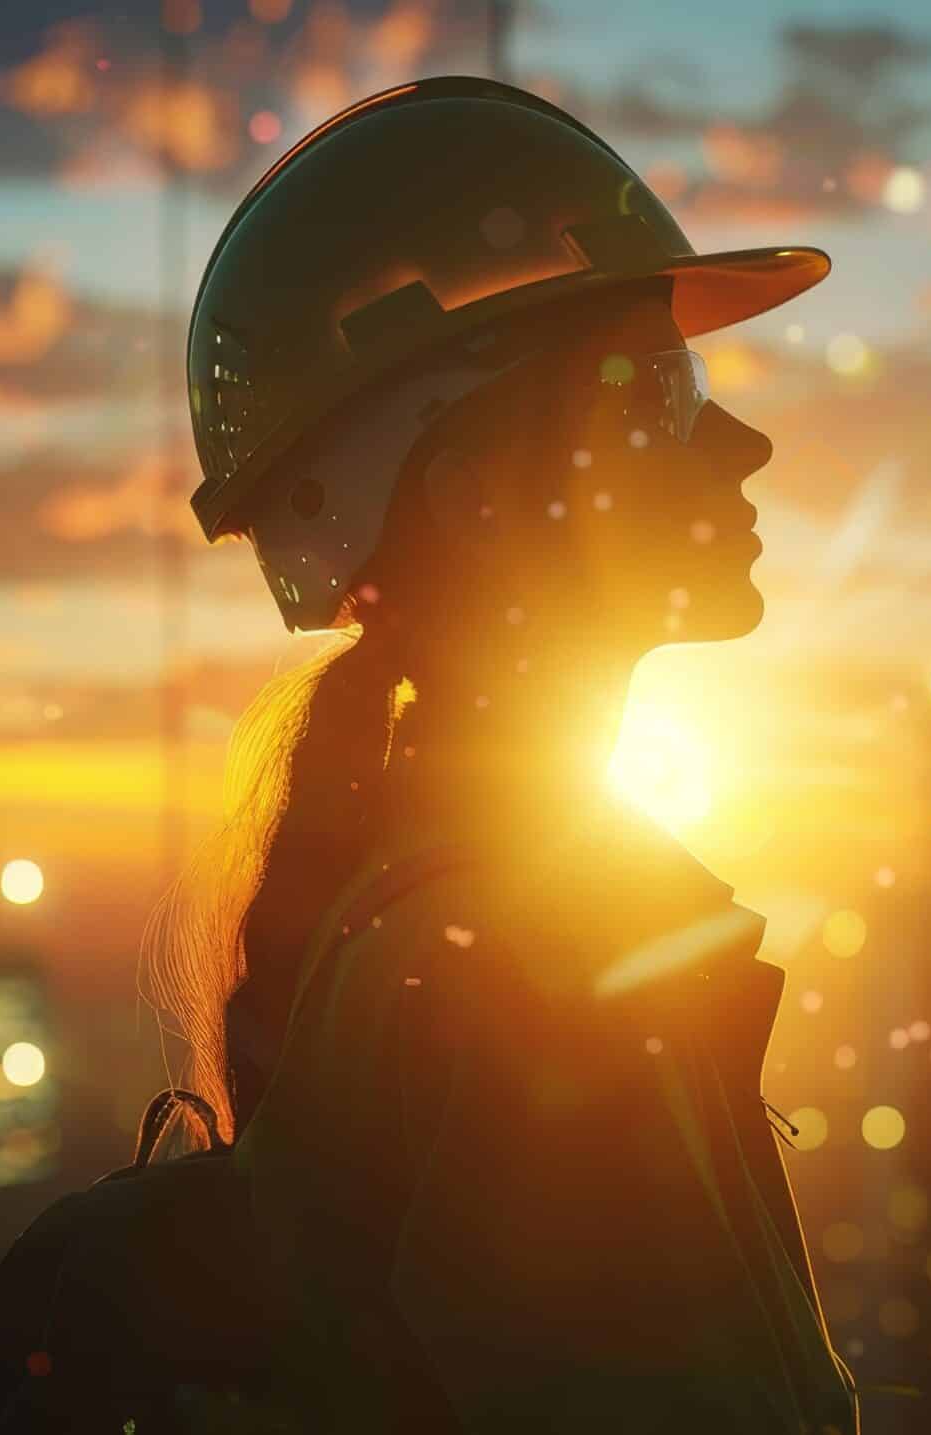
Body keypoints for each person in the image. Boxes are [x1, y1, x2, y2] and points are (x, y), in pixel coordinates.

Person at [138, 76, 858, 1433]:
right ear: (473, 498)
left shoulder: (464, 920)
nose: (745, 443)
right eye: (656, 391)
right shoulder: (536, 963)